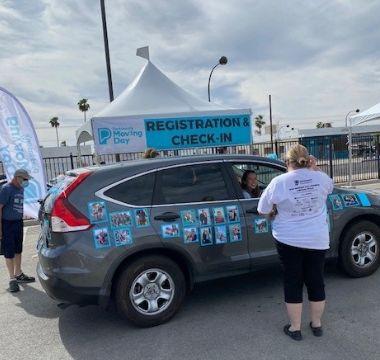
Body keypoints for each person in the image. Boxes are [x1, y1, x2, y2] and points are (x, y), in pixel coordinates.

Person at [257, 144, 333, 341]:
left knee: (293, 280)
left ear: (286, 162)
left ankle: (295, 328)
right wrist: (315, 170)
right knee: (316, 280)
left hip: (288, 239)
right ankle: (316, 325)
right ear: (308, 160)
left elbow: (262, 210)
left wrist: (275, 209)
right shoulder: (321, 178)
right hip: (317, 238)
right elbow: (329, 188)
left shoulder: (278, 182)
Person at [0, 169, 35, 293]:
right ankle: (12, 279)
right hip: (7, 224)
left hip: (18, 223)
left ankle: (18, 273)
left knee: (18, 249)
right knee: (9, 251)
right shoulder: (6, 189)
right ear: (17, 177)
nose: (26, 182)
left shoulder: (21, 189)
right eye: (25, 179)